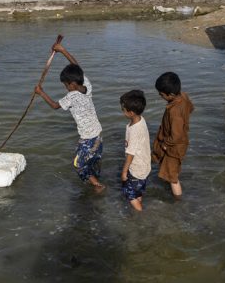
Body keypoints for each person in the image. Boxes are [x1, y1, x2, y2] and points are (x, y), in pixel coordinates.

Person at [35, 43, 104, 189]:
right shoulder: (87, 87)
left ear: (72, 84)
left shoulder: (71, 96)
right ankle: (96, 178)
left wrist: (40, 92)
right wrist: (62, 50)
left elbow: (54, 106)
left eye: (65, 85)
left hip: (88, 138)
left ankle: (97, 185)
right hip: (98, 135)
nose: (65, 87)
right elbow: (76, 66)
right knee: (92, 160)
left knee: (78, 164)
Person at [152, 72, 194, 198]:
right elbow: (191, 108)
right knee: (169, 168)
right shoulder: (183, 96)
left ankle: (177, 200)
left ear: (170, 95)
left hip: (173, 147)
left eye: (161, 94)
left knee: (172, 177)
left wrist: (165, 144)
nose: (160, 96)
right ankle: (168, 178)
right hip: (178, 144)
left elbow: (176, 135)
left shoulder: (174, 112)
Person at [120, 90, 151, 211]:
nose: (122, 111)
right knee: (137, 191)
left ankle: (140, 214)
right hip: (145, 166)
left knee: (129, 194)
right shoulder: (141, 120)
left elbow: (130, 154)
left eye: (123, 109)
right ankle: (139, 204)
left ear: (131, 113)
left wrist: (124, 171)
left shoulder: (134, 131)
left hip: (136, 169)